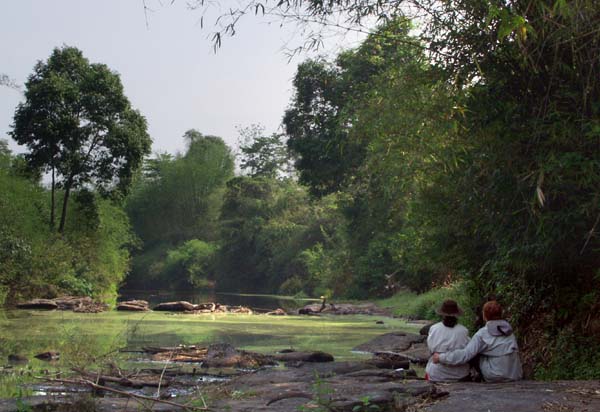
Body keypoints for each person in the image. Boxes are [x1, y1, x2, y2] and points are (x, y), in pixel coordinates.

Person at [432, 300, 523, 382]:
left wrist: (441, 357)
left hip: (495, 376)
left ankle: (478, 376)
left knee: (473, 352)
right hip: (514, 374)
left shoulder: (482, 334)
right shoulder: (508, 331)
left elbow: (465, 355)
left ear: (484, 316)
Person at [425, 299, 471, 382]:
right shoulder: (464, 331)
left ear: (442, 314)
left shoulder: (434, 329)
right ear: (457, 314)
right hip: (460, 374)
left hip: (437, 375)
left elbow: (431, 350)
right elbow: (466, 352)